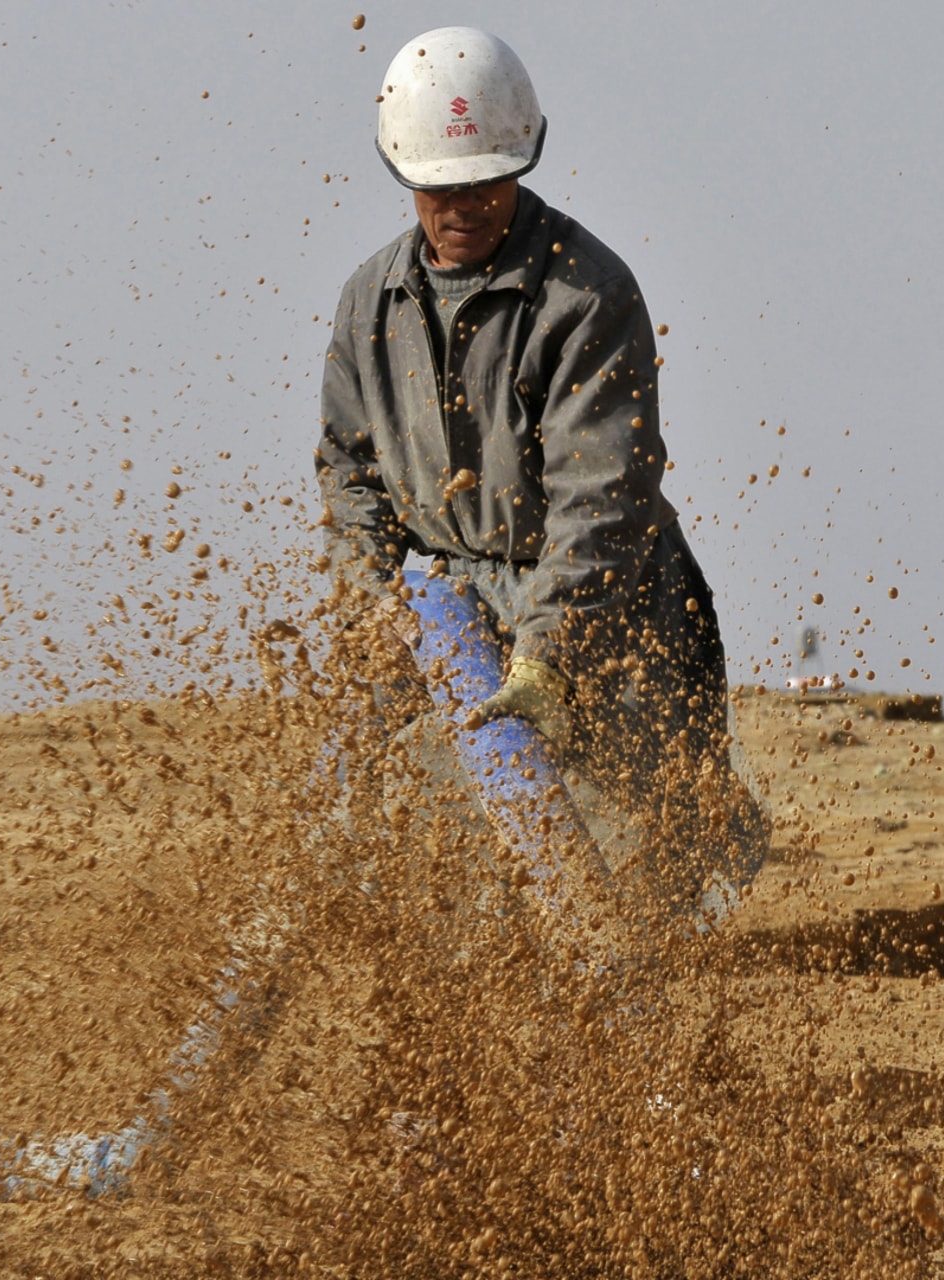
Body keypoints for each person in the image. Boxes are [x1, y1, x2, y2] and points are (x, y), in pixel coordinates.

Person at [315, 27, 764, 926]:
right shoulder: (372, 301)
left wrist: (546, 653)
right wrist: (373, 608)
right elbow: (350, 470)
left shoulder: (586, 295)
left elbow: (601, 497)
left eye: (487, 180)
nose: (466, 205)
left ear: (523, 161)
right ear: (407, 177)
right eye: (442, 188)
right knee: (420, 832)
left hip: (609, 594)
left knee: (661, 850)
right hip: (447, 601)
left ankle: (706, 855)